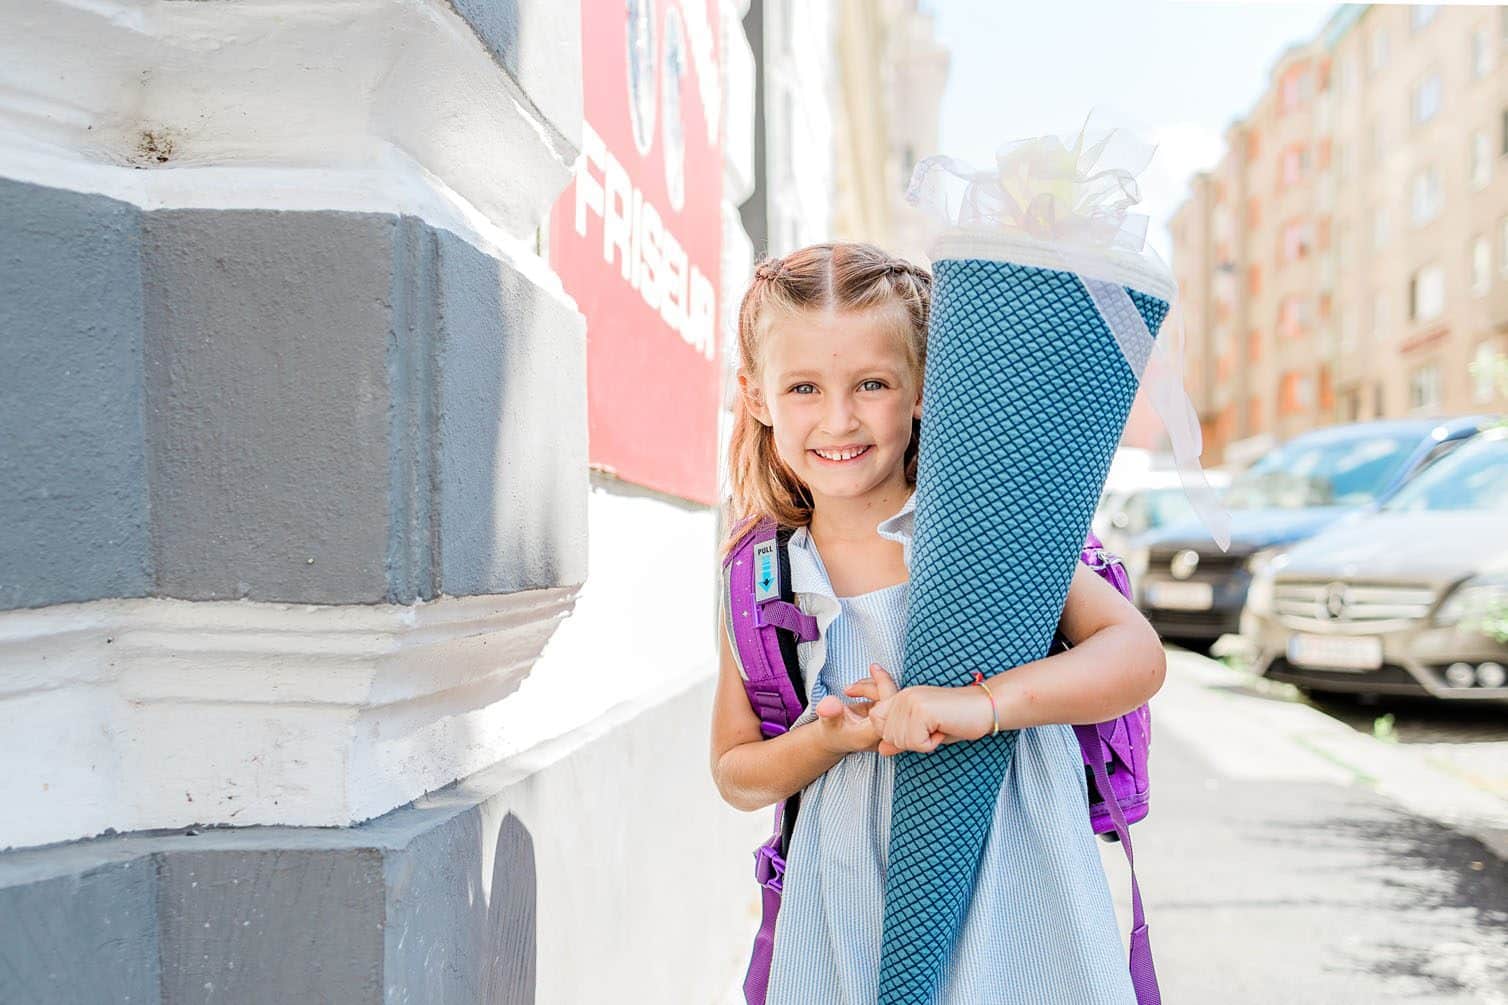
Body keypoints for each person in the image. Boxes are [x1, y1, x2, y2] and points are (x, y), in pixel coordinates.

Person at [708, 242, 1167, 1004]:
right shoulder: (761, 574)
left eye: (873, 383)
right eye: (803, 388)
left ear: (924, 386)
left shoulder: (983, 530)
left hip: (1016, 881)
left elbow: (1137, 656)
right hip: (849, 909)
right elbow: (734, 770)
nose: (838, 417)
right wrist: (824, 739)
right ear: (755, 397)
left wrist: (980, 706)